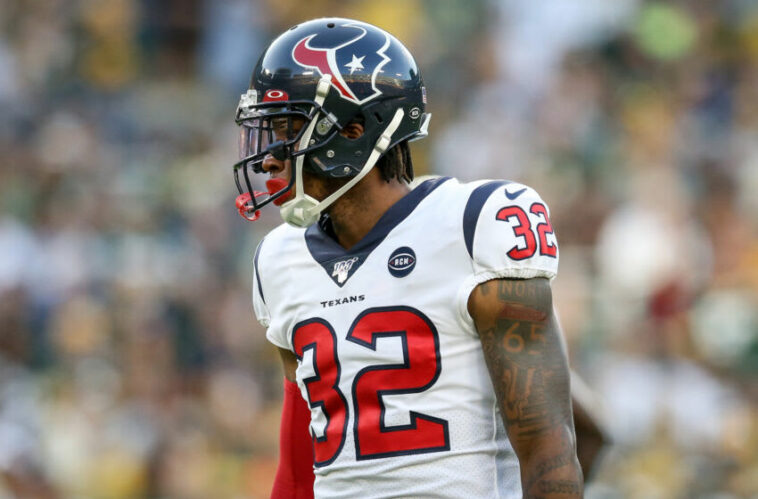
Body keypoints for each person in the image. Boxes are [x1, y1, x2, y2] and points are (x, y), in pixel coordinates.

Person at [233, 17, 587, 498]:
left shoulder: (473, 224)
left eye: (288, 129)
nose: (270, 156)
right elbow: (299, 470)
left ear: (354, 130)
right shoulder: (278, 260)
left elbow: (549, 447)